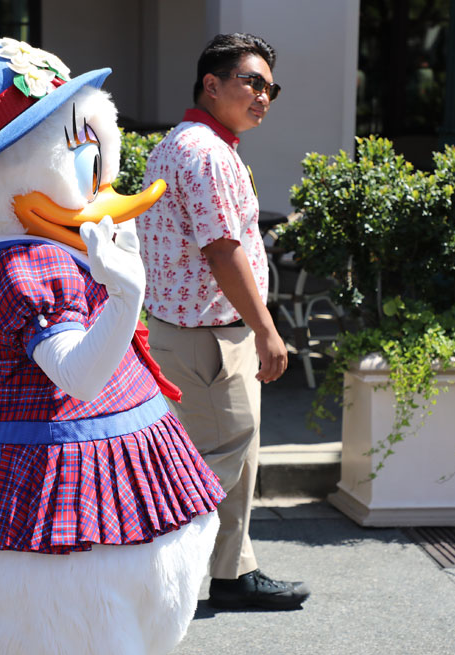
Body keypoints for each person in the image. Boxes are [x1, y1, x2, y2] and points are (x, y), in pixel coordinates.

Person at [135, 32, 310, 610]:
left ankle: (230, 572)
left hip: (184, 331)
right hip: (208, 336)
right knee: (219, 462)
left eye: (270, 87)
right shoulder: (206, 152)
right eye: (251, 82)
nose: (263, 95)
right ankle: (159, 574)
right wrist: (266, 330)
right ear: (211, 84)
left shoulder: (182, 143)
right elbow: (222, 248)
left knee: (219, 457)